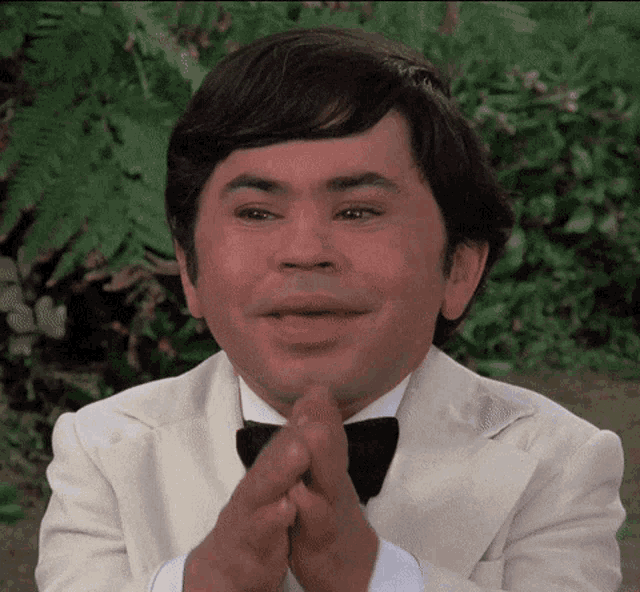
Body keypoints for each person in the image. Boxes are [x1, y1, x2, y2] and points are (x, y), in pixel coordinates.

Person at [35, 26, 625, 592]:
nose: (304, 252)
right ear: (190, 269)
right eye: (256, 213)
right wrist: (206, 582)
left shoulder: (558, 463)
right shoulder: (103, 451)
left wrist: (369, 575)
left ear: (459, 269)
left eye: (358, 212)